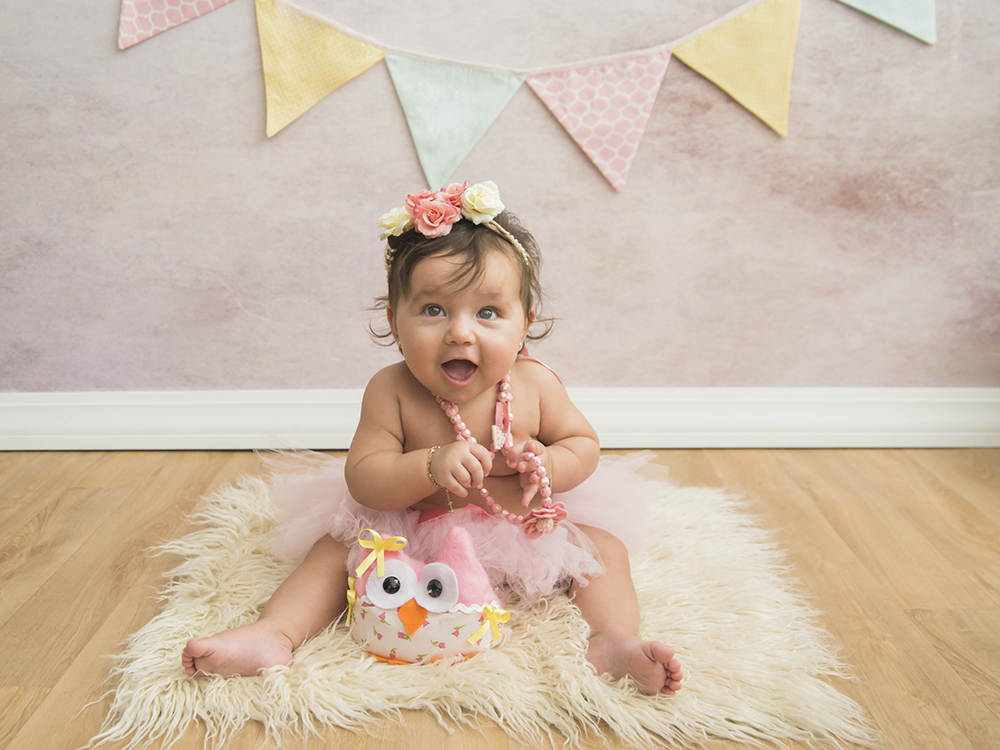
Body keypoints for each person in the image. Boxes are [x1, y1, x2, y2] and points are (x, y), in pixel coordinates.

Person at [181, 181, 683, 695]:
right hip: (414, 533)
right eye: (434, 310)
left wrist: (550, 462)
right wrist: (427, 465)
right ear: (395, 322)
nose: (461, 333)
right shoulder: (391, 390)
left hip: (522, 533)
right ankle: (274, 633)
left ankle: (612, 640)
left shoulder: (535, 384)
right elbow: (365, 478)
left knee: (602, 549)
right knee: (333, 551)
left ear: (523, 325)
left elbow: (583, 443)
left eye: (488, 313)